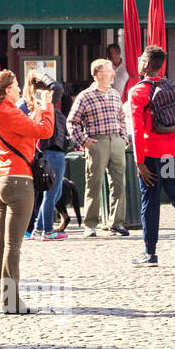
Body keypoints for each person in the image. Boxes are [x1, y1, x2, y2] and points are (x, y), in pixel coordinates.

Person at [126, 46, 175, 268]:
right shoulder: (173, 87)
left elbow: (137, 129)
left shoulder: (139, 92)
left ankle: (150, 254)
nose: (139, 61)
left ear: (146, 64)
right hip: (174, 154)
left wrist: (139, 162)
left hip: (151, 155)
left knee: (150, 203)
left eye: (141, 58)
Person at [0, 69, 53, 312]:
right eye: (14, 87)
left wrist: (35, 103)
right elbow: (44, 131)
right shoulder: (9, 112)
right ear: (6, 91)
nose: (17, 90)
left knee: (0, 243)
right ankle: (10, 301)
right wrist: (47, 107)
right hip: (18, 181)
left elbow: (27, 128)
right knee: (13, 245)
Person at [67, 58, 130, 238]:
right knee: (93, 184)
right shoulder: (85, 96)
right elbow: (72, 122)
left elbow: (121, 118)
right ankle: (90, 224)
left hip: (116, 141)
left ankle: (116, 223)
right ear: (99, 74)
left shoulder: (115, 94)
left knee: (119, 184)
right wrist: (84, 141)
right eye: (110, 70)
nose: (113, 73)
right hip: (97, 142)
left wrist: (123, 138)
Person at [20, 72, 69, 241]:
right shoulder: (43, 106)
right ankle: (47, 230)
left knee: (53, 193)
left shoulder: (30, 106)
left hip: (51, 152)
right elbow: (57, 87)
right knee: (51, 193)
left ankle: (39, 229)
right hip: (52, 152)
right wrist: (38, 74)